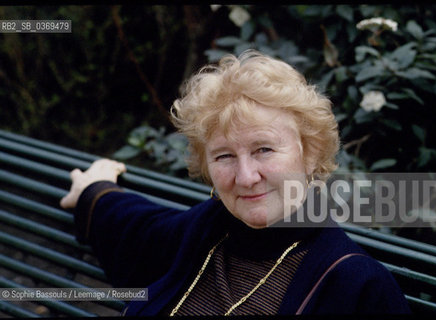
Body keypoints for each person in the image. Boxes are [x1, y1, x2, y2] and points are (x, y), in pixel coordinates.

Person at [60, 50, 410, 315]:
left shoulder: (357, 284)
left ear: (311, 154)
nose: (245, 177)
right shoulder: (207, 229)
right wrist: (94, 189)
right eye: (224, 156)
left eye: (264, 149)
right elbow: (134, 227)